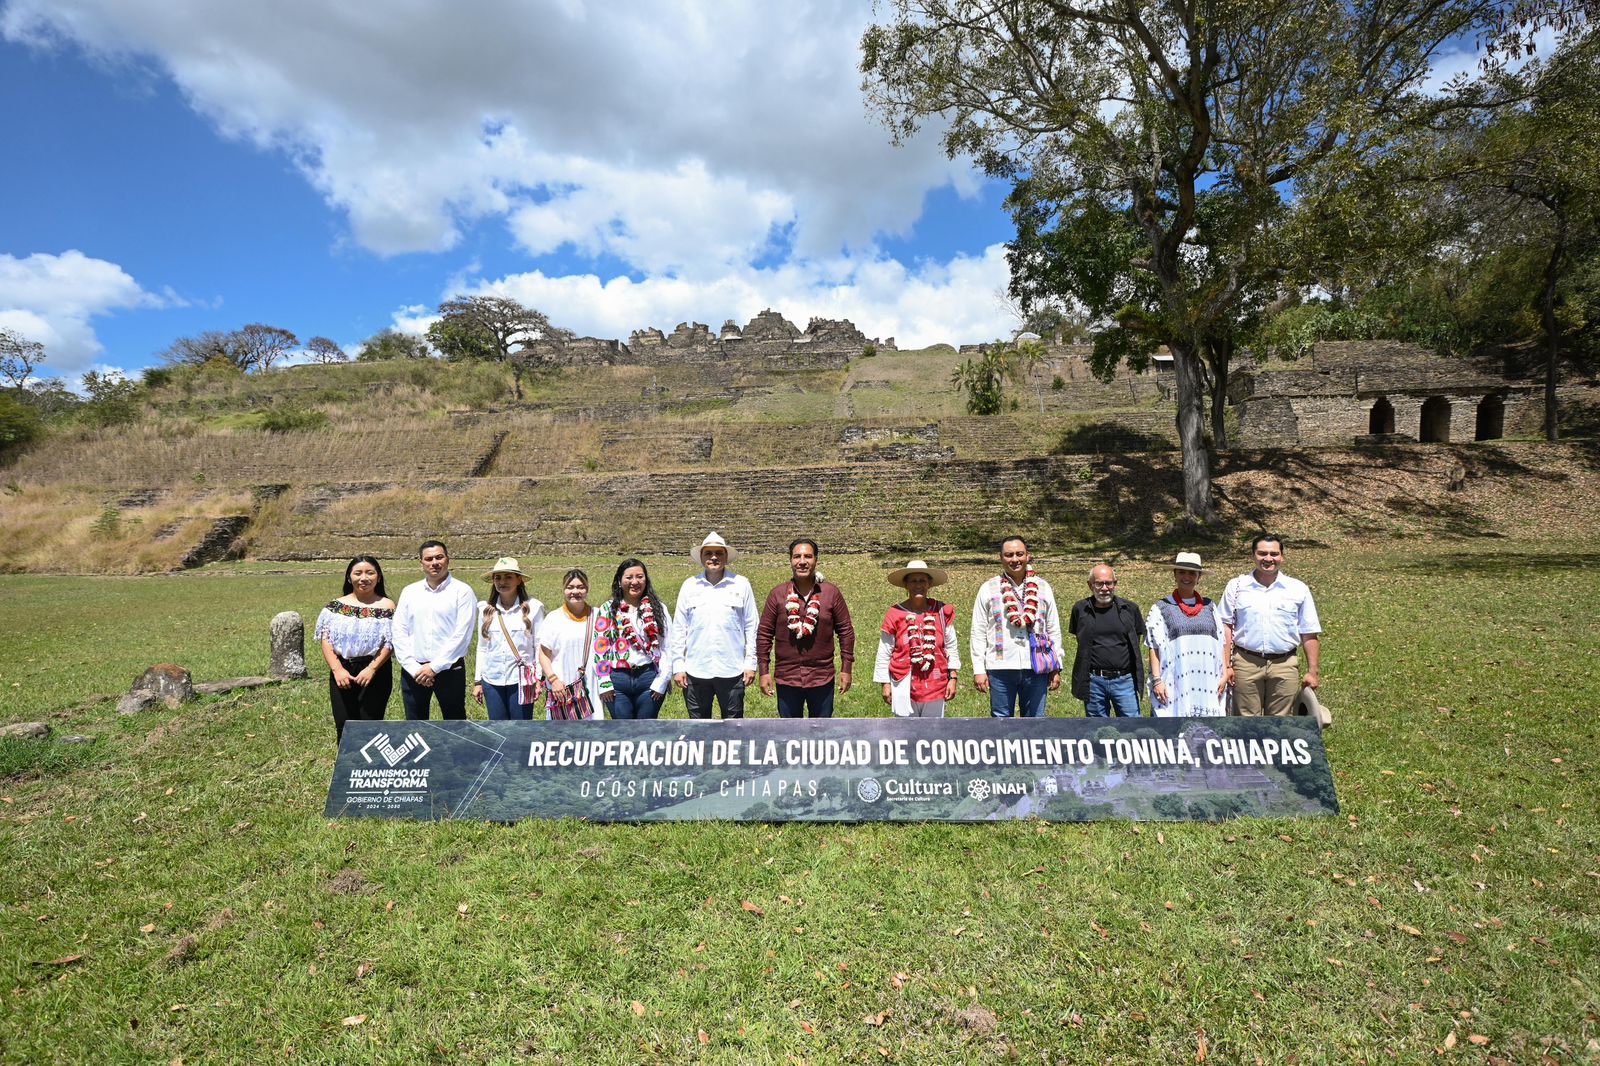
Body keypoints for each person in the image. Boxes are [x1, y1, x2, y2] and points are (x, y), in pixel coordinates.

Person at [1219, 534, 1322, 716]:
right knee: (1246, 723)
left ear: (1282, 556)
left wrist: (1312, 672)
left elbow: (1309, 632)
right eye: (1262, 553)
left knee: (1279, 724)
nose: (1268, 559)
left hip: (1285, 664)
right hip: (1245, 662)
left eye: (1274, 554)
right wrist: (1226, 666)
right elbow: (1225, 627)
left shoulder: (1297, 588)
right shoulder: (1236, 586)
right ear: (1253, 555)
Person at [756, 538, 856, 718]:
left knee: (821, 734)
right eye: (797, 557)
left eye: (808, 556)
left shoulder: (831, 593)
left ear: (816, 560)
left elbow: (846, 631)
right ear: (790, 561)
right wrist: (763, 671)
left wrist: (846, 668)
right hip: (787, 677)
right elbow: (764, 634)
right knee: (790, 735)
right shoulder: (777, 594)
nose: (802, 561)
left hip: (822, 677)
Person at [969, 535, 1064, 718]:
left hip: (1036, 665)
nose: (1015, 560)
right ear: (1001, 558)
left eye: (1019, 554)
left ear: (1028, 556)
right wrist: (979, 669)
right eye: (1009, 555)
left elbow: (1053, 628)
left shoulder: (1043, 587)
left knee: (1035, 720)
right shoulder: (989, 588)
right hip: (1000, 667)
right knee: (1001, 720)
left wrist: (1056, 666)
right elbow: (978, 631)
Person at [668, 532, 759, 719]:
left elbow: (751, 625)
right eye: (708, 553)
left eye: (719, 553)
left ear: (726, 557)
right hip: (696, 669)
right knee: (699, 729)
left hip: (732, 669)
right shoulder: (689, 586)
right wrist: (678, 665)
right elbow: (679, 628)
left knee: (734, 727)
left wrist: (750, 663)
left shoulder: (741, 584)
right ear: (701, 558)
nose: (714, 557)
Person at [392, 539, 477, 721]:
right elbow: (399, 631)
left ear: (448, 559)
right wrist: (415, 668)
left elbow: (462, 635)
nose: (434, 563)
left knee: (455, 723)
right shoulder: (410, 591)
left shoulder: (462, 591)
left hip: (449, 668)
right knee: (415, 724)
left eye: (439, 557)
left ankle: (455, 751)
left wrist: (434, 667)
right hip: (414, 670)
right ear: (421, 563)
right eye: (429, 559)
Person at [315, 555, 395, 741]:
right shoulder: (335, 607)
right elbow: (326, 639)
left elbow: (390, 642)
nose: (364, 578)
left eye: (370, 573)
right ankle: (347, 767)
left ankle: (369, 767)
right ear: (349, 577)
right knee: (344, 724)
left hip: (375, 671)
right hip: (342, 671)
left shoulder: (387, 606)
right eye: (358, 573)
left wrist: (372, 669)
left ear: (379, 577)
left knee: (371, 724)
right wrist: (337, 669)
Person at [1146, 551, 1228, 717]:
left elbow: (1221, 642)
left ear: (1199, 577)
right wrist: (1156, 680)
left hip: (1207, 681)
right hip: (1175, 681)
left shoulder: (1210, 607)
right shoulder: (1161, 607)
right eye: (1182, 572)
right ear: (1174, 575)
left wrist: (1224, 674)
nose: (1187, 577)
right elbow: (1154, 646)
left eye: (1192, 573)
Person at [873, 560, 961, 717]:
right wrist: (885, 683)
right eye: (913, 581)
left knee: (932, 733)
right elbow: (885, 650)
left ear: (929, 584)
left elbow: (951, 646)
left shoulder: (941, 611)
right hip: (904, 683)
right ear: (906, 585)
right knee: (906, 734)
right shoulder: (895, 613)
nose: (918, 585)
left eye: (922, 581)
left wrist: (952, 677)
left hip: (936, 682)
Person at [592, 558, 672, 720]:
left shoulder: (658, 608)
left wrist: (662, 680)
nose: (635, 582)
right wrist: (604, 682)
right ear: (619, 581)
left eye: (639, 577)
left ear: (646, 580)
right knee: (623, 731)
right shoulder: (608, 609)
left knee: (646, 730)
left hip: (649, 678)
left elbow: (668, 646)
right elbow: (600, 648)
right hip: (617, 681)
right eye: (629, 577)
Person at [1068, 564, 1146, 717]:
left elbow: (1136, 641)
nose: (1104, 588)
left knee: (1133, 727)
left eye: (1109, 583)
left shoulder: (1130, 609)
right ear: (1090, 585)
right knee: (1098, 730)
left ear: (1115, 584)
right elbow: (1080, 639)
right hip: (1094, 682)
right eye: (1099, 583)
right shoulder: (1080, 609)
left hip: (1124, 681)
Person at [471, 557, 544, 720]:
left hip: (522, 680)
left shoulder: (533, 607)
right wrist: (478, 681)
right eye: (498, 577)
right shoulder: (485, 609)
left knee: (520, 729)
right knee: (499, 730)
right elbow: (482, 647)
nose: (502, 582)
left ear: (519, 580)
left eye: (508, 577)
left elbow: (539, 646)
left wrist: (538, 679)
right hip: (492, 679)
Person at [538, 569, 600, 720]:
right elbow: (544, 654)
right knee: (562, 734)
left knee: (591, 734)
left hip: (591, 685)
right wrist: (553, 680)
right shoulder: (554, 618)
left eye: (580, 587)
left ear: (587, 589)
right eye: (570, 587)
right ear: (563, 589)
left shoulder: (598, 615)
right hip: (562, 686)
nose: (575, 591)